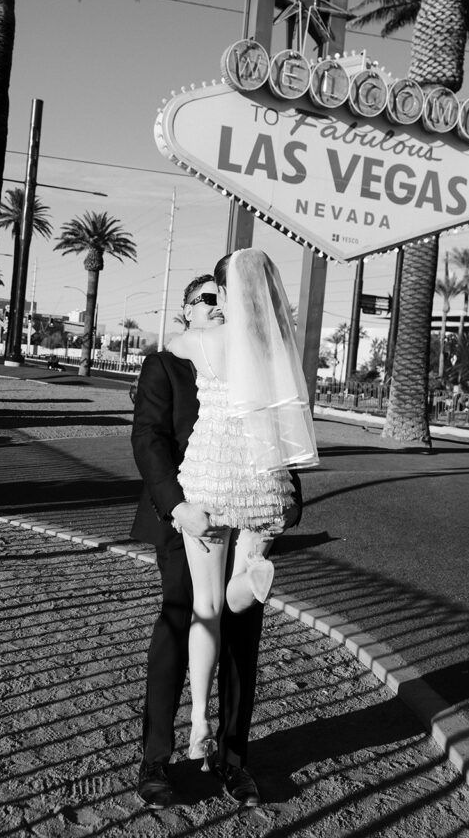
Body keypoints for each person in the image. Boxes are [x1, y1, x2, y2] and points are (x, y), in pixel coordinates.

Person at [130, 267, 304, 810]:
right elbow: (149, 439)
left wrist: (286, 498)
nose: (215, 306)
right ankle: (158, 757)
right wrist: (179, 506)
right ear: (187, 310)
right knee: (178, 622)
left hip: (244, 507)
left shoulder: (255, 360)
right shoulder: (166, 363)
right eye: (204, 299)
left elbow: (275, 431)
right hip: (185, 514)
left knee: (240, 637)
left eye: (221, 297)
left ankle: (230, 758)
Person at [167, 249, 318, 783]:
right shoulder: (271, 345)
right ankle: (248, 576)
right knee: (231, 597)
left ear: (228, 294)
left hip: (210, 478)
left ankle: (198, 724)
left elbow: (171, 342)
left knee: (202, 608)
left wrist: (200, 318)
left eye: (219, 292)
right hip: (261, 478)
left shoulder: (206, 343)